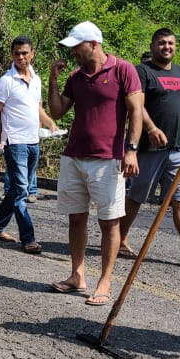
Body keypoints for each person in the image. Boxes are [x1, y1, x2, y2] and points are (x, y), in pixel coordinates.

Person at [46, 21, 143, 306]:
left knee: (109, 222)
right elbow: (57, 111)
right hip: (74, 156)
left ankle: (105, 280)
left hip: (108, 159)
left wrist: (132, 150)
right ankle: (77, 275)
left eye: (77, 46)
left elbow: (136, 111)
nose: (74, 51)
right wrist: (52, 78)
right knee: (76, 217)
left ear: (93, 44)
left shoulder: (123, 70)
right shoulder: (76, 77)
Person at [117, 29, 180, 270]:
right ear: (152, 46)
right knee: (137, 196)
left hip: (178, 149)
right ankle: (118, 240)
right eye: (161, 43)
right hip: (149, 149)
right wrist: (150, 129)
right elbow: (136, 106)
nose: (167, 47)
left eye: (171, 43)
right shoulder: (143, 71)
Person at [0, 36, 58, 254]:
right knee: (22, 191)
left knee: (17, 189)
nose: (21, 57)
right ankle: (28, 238)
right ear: (12, 55)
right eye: (17, 53)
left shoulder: (36, 79)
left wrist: (50, 123)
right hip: (15, 143)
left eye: (25, 53)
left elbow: (38, 108)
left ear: (32, 53)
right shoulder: (5, 81)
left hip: (33, 141)